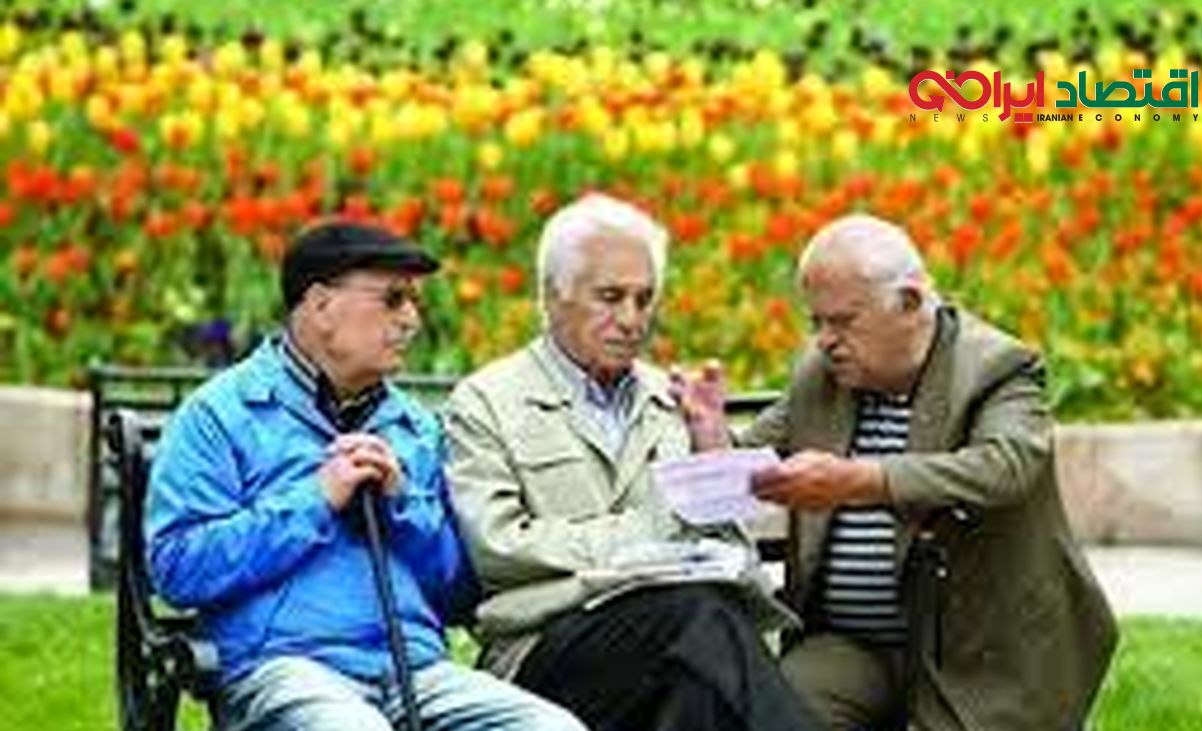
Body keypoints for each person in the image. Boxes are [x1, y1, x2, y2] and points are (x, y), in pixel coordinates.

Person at [678, 214, 1118, 731]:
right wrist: (712, 436)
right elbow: (753, 467)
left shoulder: (997, 367)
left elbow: (1006, 467)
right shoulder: (821, 375)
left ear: (909, 303)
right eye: (817, 322)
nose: (825, 341)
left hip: (977, 652)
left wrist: (860, 481)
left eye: (843, 321)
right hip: (847, 646)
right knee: (773, 718)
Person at [146, 221, 585, 731]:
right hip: (286, 668)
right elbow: (178, 568)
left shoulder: (416, 429)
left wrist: (402, 506)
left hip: (415, 671)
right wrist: (316, 500)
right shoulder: (220, 415)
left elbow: (461, 594)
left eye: (414, 302)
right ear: (321, 306)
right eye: (393, 299)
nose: (411, 320)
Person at [443, 194, 824, 731]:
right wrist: (642, 545)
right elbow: (498, 546)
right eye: (610, 298)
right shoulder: (487, 401)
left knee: (695, 687)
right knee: (696, 622)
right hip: (543, 648)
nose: (631, 320)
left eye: (645, 300)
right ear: (553, 296)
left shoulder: (672, 400)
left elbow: (734, 555)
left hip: (677, 645)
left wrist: (714, 451)